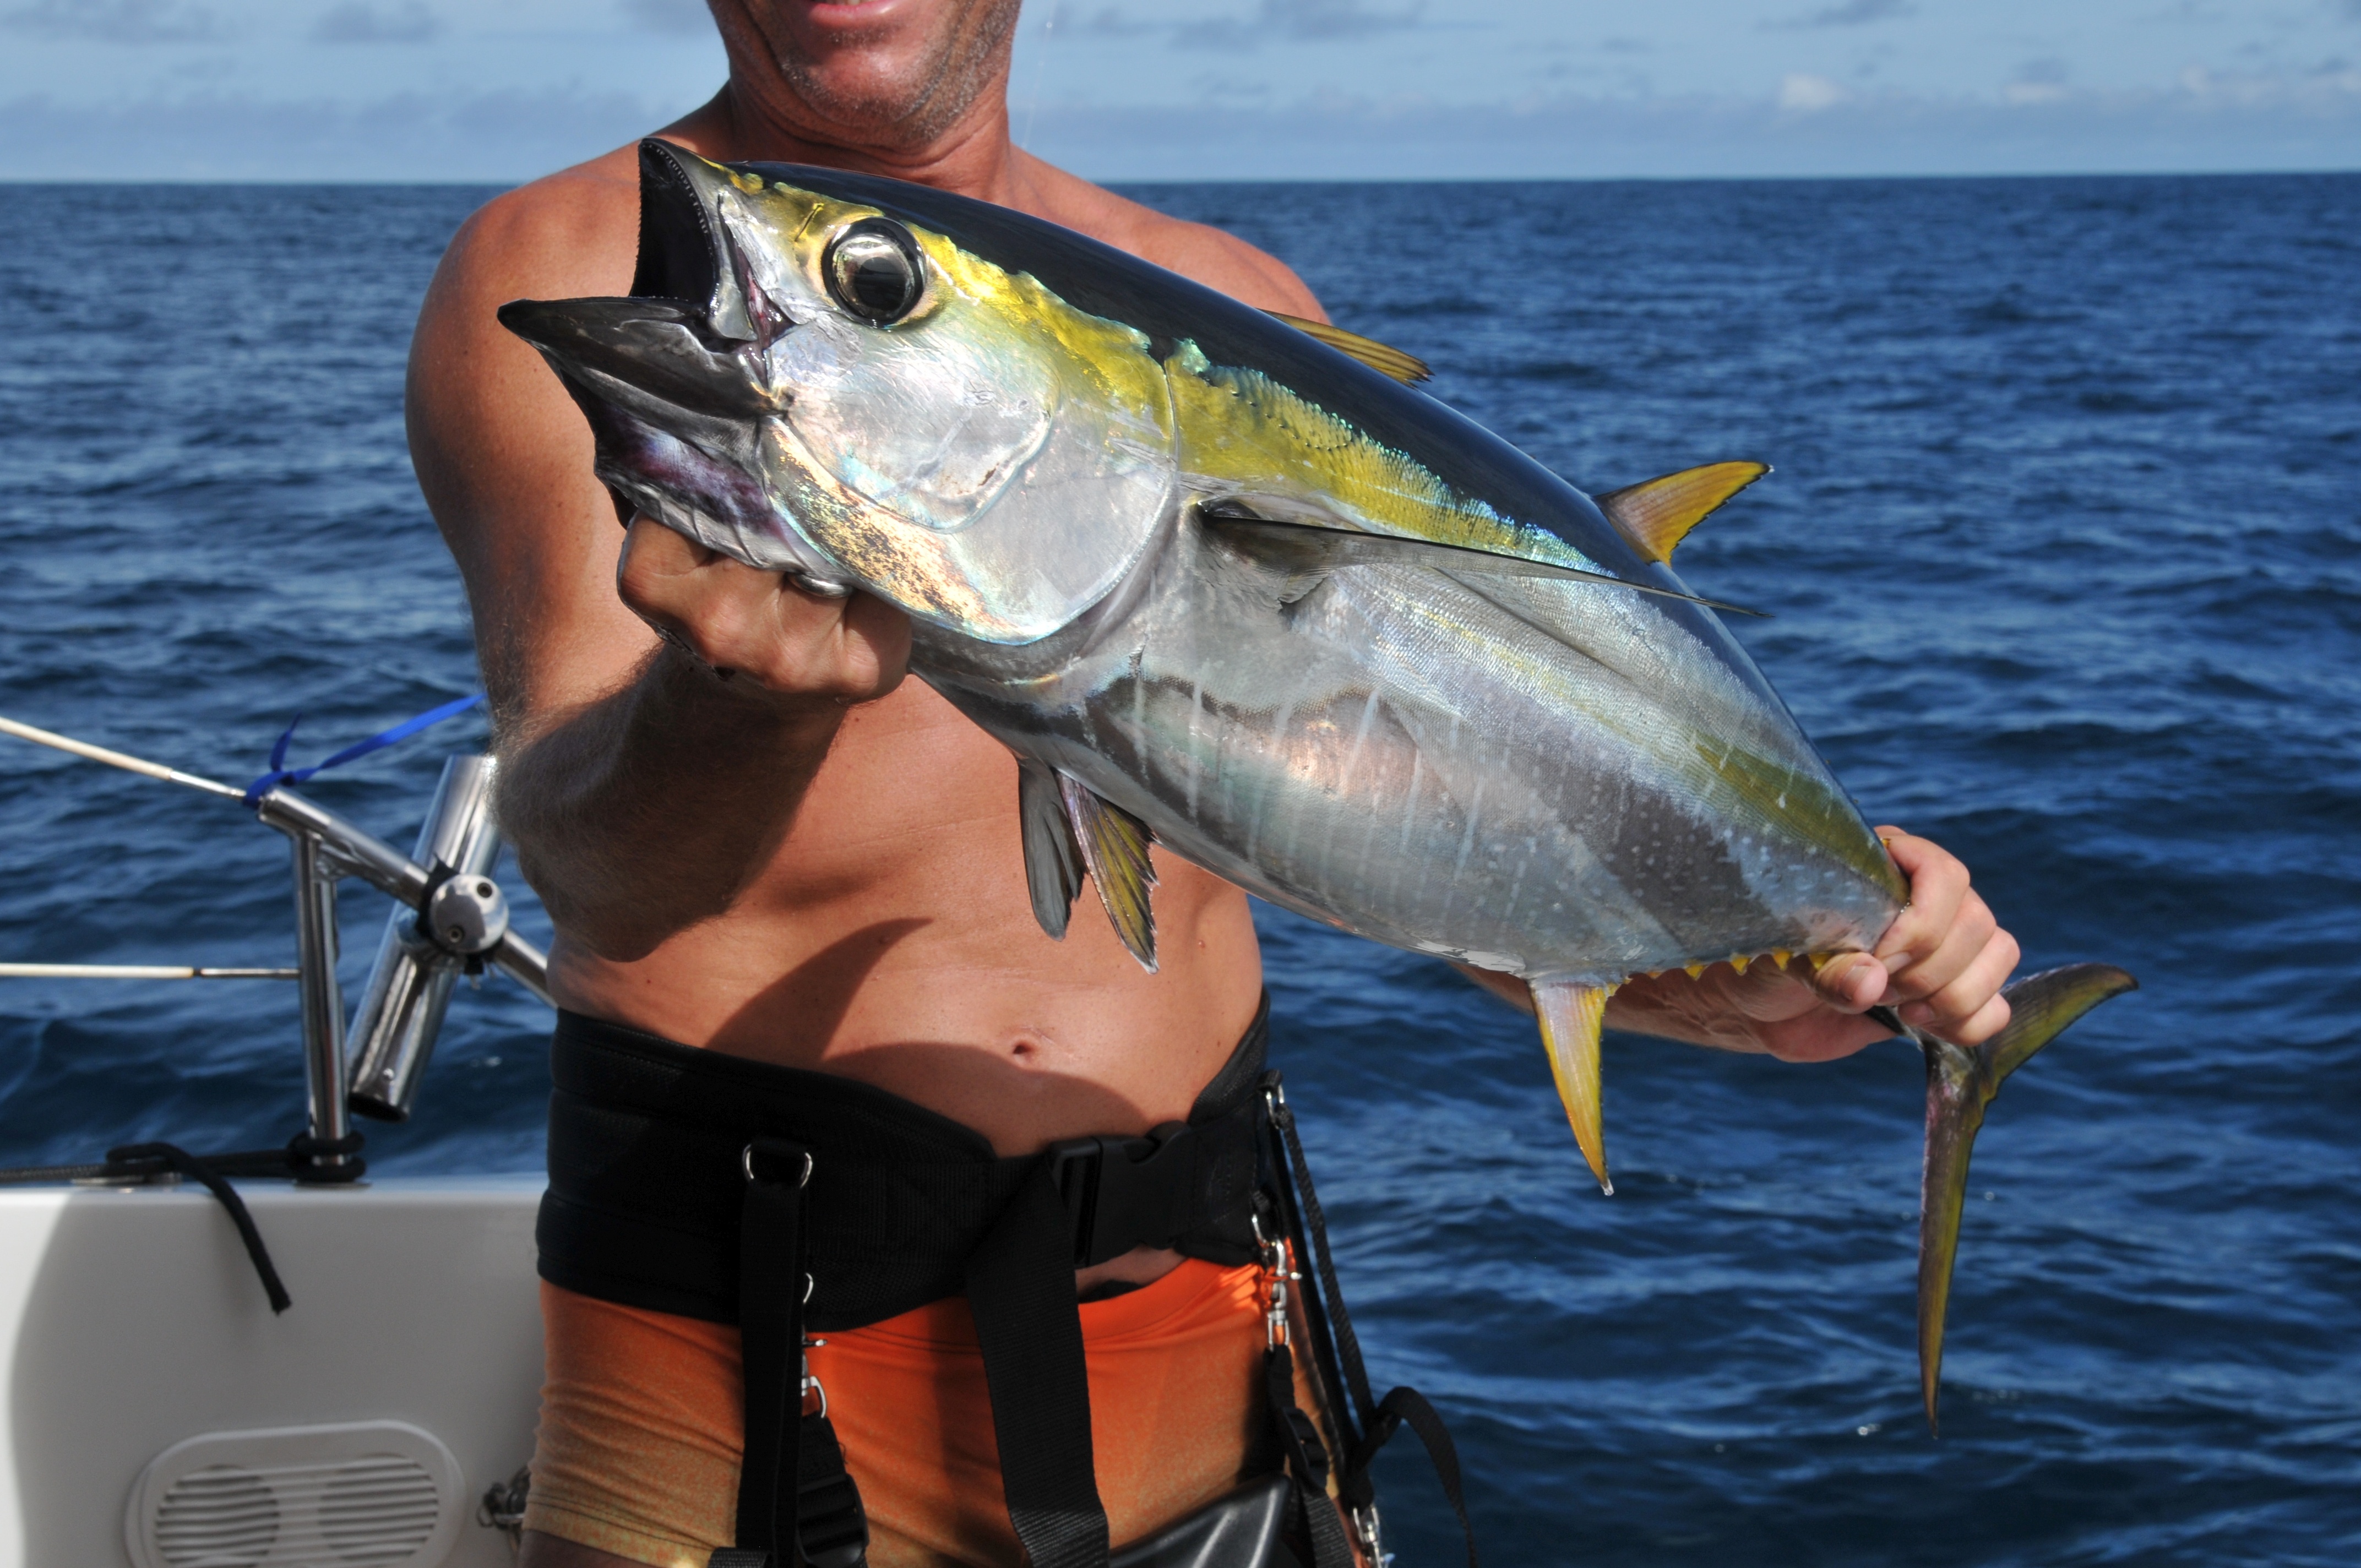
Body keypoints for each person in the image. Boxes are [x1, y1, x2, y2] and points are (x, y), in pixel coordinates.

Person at [406, 3, 2022, 1566]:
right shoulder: (573, 270)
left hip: (1220, 1328)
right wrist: (730, 704)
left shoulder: (1236, 294)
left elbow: (1406, 839)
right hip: (748, 1345)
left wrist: (1734, 992)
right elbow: (590, 865)